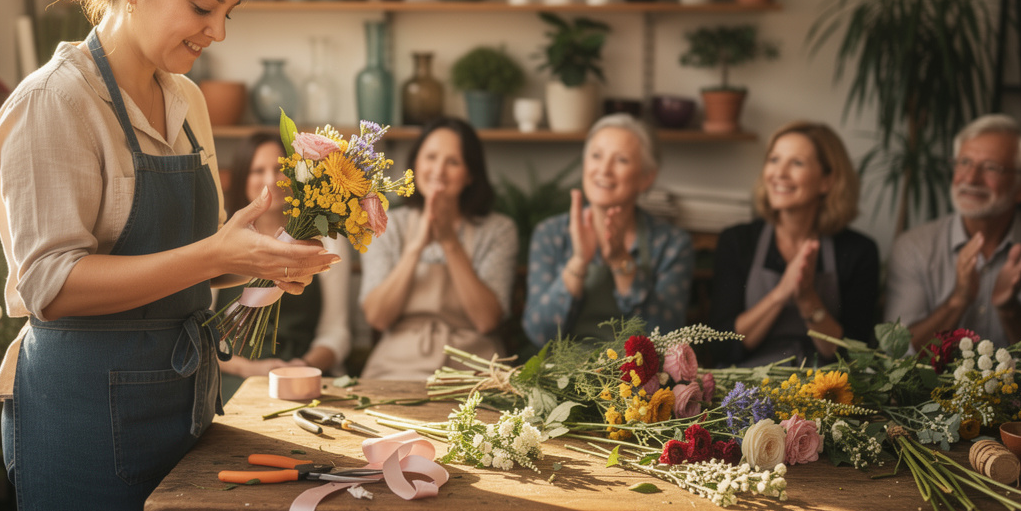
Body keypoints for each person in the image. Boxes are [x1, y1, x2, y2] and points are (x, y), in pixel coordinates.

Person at [0, 0, 338, 511]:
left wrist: (257, 256)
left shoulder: (185, 99)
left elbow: (180, 264)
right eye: (203, 8)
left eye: (227, 13)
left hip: (184, 406)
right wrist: (218, 252)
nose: (219, 32)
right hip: (82, 418)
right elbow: (51, 286)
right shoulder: (56, 102)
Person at [885, 113, 1021, 351]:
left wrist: (1010, 310)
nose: (970, 178)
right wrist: (957, 300)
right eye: (964, 162)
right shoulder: (912, 247)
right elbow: (898, 354)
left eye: (991, 168)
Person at [709, 121, 880, 367]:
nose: (779, 173)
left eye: (797, 163)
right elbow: (721, 348)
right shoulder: (737, 241)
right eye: (774, 159)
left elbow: (854, 357)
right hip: (745, 393)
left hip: (824, 391)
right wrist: (781, 293)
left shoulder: (858, 252)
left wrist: (807, 298)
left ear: (827, 181)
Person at [359, 117, 518, 379]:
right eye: (431, 157)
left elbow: (487, 320)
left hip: (474, 369)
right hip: (396, 368)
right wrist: (414, 248)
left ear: (470, 174)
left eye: (453, 162)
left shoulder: (498, 230)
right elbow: (377, 318)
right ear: (415, 164)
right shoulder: (385, 223)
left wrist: (449, 241)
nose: (439, 170)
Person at [524, 113, 694, 345]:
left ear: (646, 177)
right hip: (560, 376)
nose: (604, 170)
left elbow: (667, 338)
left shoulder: (671, 243)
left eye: (621, 160)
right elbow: (538, 334)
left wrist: (620, 261)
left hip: (640, 378)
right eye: (596, 156)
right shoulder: (551, 234)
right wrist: (579, 261)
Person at [216, 133, 353, 401]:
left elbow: (337, 332)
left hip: (305, 375)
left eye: (280, 169)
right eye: (258, 170)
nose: (271, 180)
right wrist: (250, 369)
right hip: (234, 378)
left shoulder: (327, 242)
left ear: (297, 176)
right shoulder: (222, 241)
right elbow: (201, 335)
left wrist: (302, 368)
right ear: (242, 179)